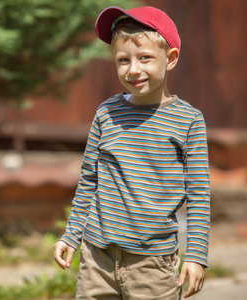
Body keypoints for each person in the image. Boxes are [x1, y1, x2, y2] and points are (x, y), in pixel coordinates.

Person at [54, 6, 210, 300]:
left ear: (171, 58)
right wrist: (71, 235)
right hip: (97, 258)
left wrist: (196, 255)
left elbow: (199, 193)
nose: (133, 69)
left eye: (145, 58)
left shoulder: (189, 121)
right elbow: (89, 182)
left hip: (153, 264)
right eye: (123, 60)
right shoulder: (106, 114)